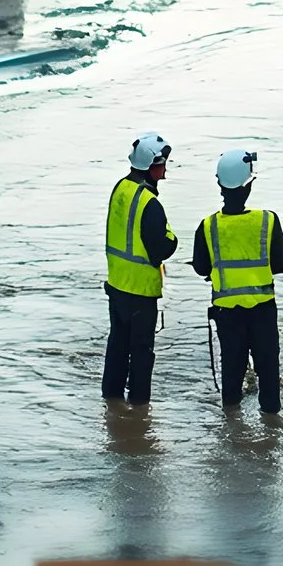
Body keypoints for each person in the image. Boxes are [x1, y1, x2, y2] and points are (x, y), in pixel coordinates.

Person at [192, 148, 283, 415]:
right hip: (262, 310)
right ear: (248, 186)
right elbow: (282, 264)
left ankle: (232, 428)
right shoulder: (267, 220)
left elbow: (201, 267)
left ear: (220, 185)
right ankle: (271, 428)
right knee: (268, 372)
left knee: (232, 372)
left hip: (227, 314)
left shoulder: (207, 226)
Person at [103, 132, 179, 406]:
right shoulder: (150, 204)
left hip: (117, 285)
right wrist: (174, 240)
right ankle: (138, 408)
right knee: (142, 353)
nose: (166, 168)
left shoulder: (120, 188)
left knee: (117, 347)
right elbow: (161, 248)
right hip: (140, 292)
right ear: (151, 167)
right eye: (163, 163)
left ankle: (111, 399)